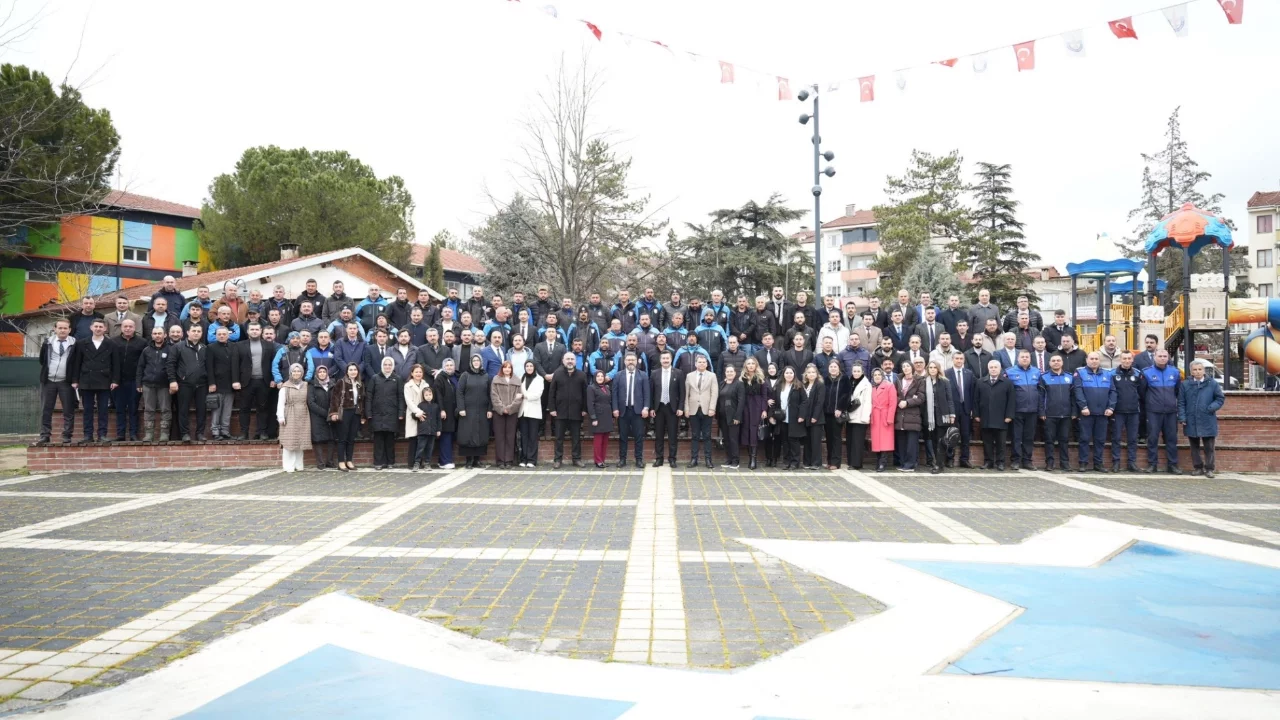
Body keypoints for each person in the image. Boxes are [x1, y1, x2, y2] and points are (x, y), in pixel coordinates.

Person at [70, 318, 119, 443]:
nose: (98, 329)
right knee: (87, 410)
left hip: (105, 380)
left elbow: (116, 364)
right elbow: (77, 363)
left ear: (105, 329)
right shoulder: (81, 343)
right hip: (86, 380)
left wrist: (115, 380)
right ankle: (88, 435)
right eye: (96, 326)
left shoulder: (111, 344)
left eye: (100, 327)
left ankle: (102, 435)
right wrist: (75, 380)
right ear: (91, 328)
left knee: (103, 410)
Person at [1179, 359, 1224, 478]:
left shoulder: (1212, 383)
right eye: (1195, 370)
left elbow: (1220, 399)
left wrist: (1211, 408)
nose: (1198, 372)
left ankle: (1209, 468)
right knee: (1194, 446)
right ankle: (1197, 467)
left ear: (1204, 370)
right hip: (1191, 418)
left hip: (1207, 418)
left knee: (1209, 446)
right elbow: (1181, 402)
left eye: (1200, 369)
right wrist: (1182, 417)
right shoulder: (1185, 384)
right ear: (1191, 372)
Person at [38, 319, 77, 444]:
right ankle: (45, 435)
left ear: (69, 330)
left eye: (65, 328)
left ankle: (67, 436)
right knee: (46, 410)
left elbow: (77, 362)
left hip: (66, 381)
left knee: (68, 410)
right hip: (48, 381)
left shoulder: (75, 344)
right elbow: (42, 360)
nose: (62, 330)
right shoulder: (47, 342)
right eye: (60, 328)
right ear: (55, 329)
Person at [167, 324, 207, 442]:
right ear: (187, 332)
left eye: (199, 331)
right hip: (184, 383)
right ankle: (185, 434)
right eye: (193, 330)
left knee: (202, 410)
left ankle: (200, 433)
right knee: (183, 410)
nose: (196, 333)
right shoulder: (178, 347)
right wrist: (172, 380)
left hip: (202, 384)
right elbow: (170, 364)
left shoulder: (204, 348)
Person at [549, 351, 588, 468]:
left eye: (572, 359)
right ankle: (557, 459)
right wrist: (552, 408)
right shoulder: (557, 374)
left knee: (576, 438)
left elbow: (585, 393)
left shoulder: (582, 375)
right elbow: (552, 393)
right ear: (563, 361)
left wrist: (584, 408)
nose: (570, 361)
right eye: (568, 359)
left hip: (576, 411)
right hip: (560, 411)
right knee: (559, 437)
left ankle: (576, 459)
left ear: (575, 361)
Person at [975, 359, 1015, 471]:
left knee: (1001, 443)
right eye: (991, 367)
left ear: (1000, 369)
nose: (993, 369)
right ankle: (988, 462)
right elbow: (976, 400)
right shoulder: (980, 382)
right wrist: (977, 414)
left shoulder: (1007, 383)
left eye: (995, 367)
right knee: (987, 442)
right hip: (985, 417)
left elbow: (1011, 401)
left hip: (1002, 418)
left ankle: (1000, 462)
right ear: (988, 369)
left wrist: (1009, 416)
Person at [612, 353, 650, 468]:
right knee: (623, 436)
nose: (630, 362)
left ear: (637, 361)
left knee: (639, 436)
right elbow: (614, 394)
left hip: (638, 411)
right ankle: (622, 459)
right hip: (623, 411)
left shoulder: (643, 375)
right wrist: (615, 408)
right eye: (628, 360)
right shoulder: (618, 375)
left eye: (633, 360)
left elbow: (647, 393)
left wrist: (646, 407)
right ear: (624, 362)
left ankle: (639, 459)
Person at [1006, 350, 1042, 470]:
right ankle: (1015, 460)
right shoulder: (1009, 372)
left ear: (1030, 359)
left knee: (1029, 437)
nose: (1025, 359)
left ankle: (1027, 461)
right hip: (1017, 410)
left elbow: (1040, 391)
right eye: (1022, 357)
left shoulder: (1037, 372)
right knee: (1016, 437)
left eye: (1027, 357)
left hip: (1032, 410)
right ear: (1018, 358)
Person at [366, 356, 404, 470]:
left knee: (390, 440)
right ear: (382, 366)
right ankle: (378, 463)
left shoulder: (397, 379)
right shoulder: (375, 378)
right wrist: (368, 412)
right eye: (385, 365)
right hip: (377, 414)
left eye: (389, 365)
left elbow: (400, 397)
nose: (387, 367)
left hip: (392, 413)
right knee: (378, 440)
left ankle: (390, 462)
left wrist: (401, 412)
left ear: (392, 366)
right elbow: (369, 396)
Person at [1038, 354, 1074, 472]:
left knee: (1064, 440)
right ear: (1049, 363)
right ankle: (1050, 463)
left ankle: (1065, 463)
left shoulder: (1070, 377)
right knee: (1049, 440)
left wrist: (1074, 412)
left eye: (1058, 360)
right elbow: (1041, 396)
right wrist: (1042, 411)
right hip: (1049, 414)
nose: (1056, 362)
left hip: (1066, 414)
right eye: (1053, 361)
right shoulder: (1044, 377)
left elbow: (1073, 396)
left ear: (1062, 363)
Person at [455, 354, 492, 469]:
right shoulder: (465, 375)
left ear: (481, 362)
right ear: (471, 362)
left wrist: (490, 409)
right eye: (474, 360)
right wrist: (461, 408)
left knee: (480, 434)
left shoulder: (486, 376)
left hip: (482, 410)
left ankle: (477, 460)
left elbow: (490, 394)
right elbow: (459, 392)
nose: (476, 362)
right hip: (467, 410)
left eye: (478, 360)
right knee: (468, 434)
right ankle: (469, 460)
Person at [1110, 351, 1145, 473]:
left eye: (1129, 358)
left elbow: (1142, 392)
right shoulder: (1112, 374)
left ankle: (1132, 463)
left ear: (1132, 360)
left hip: (1134, 411)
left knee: (1133, 438)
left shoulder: (1138, 373)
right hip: (1118, 411)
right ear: (1120, 359)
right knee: (1116, 438)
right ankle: (1116, 463)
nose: (1126, 361)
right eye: (1124, 358)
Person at [136, 325, 171, 442]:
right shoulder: (146, 350)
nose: (157, 336)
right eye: (155, 333)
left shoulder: (171, 349)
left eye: (159, 333)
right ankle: (149, 434)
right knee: (149, 409)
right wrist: (138, 383)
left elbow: (173, 367)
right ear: (152, 335)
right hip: (148, 384)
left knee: (165, 409)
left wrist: (172, 382)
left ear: (165, 335)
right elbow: (140, 367)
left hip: (165, 385)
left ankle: (164, 434)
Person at [205, 325, 241, 441]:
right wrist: (211, 383)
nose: (221, 336)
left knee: (227, 409)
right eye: (219, 334)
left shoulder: (234, 346)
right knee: (216, 409)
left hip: (230, 383)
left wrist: (236, 381)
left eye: (224, 334)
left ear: (228, 335)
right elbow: (209, 367)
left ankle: (225, 431)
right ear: (215, 336)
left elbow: (236, 365)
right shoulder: (210, 347)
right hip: (217, 383)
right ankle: (215, 431)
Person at [650, 350, 684, 468]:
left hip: (672, 408)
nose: (665, 360)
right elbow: (651, 392)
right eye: (663, 358)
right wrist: (651, 408)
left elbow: (682, 393)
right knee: (658, 435)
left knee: (673, 435)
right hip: (659, 408)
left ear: (671, 360)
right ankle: (659, 458)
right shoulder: (654, 373)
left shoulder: (678, 373)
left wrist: (680, 407)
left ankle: (672, 459)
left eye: (667, 358)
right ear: (660, 360)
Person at [329, 363, 366, 471]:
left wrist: (363, 415)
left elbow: (362, 401)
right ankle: (341, 462)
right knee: (342, 438)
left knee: (351, 438)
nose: (353, 371)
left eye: (355, 369)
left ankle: (349, 460)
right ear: (347, 371)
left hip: (356, 413)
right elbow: (334, 398)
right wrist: (334, 412)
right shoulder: (341, 382)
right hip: (344, 412)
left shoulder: (360, 384)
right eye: (351, 370)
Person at [684, 353, 718, 469]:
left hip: (707, 409)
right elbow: (686, 394)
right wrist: (686, 408)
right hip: (693, 409)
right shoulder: (689, 376)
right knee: (694, 435)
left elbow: (714, 393)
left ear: (707, 364)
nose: (702, 364)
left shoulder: (712, 376)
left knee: (707, 435)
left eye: (704, 362)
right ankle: (694, 459)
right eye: (699, 362)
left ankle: (708, 459)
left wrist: (712, 408)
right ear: (695, 364)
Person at [113, 320, 145, 441]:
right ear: (121, 328)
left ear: (134, 328)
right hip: (118, 381)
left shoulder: (142, 342)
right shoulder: (114, 342)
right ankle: (120, 434)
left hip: (134, 381)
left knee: (133, 408)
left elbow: (143, 364)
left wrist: (140, 381)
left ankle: (133, 434)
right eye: (125, 326)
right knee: (119, 409)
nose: (127, 328)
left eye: (130, 326)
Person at [275, 363, 311, 472]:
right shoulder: (285, 387)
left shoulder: (306, 385)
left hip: (303, 414)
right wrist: (280, 416)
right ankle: (288, 466)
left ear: (302, 373)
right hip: (289, 414)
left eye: (298, 371)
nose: (296, 373)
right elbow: (280, 403)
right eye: (294, 371)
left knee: (300, 440)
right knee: (289, 441)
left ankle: (299, 465)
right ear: (290, 373)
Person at [921, 361, 954, 474]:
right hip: (929, 416)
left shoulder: (945, 382)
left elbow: (950, 399)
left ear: (938, 369)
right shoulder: (924, 381)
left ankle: (940, 465)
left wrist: (952, 414)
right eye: (930, 367)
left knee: (941, 441)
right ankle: (937, 463)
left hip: (942, 415)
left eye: (935, 367)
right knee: (933, 441)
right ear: (927, 369)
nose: (933, 369)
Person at [490, 361, 523, 469]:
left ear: (512, 369)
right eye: (505, 367)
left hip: (512, 413)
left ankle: (508, 460)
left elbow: (519, 397)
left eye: (509, 368)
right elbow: (494, 396)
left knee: (510, 436)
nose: (507, 369)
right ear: (502, 369)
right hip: (498, 412)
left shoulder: (517, 381)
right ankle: (500, 460)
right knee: (499, 436)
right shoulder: (496, 380)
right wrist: (502, 408)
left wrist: (509, 409)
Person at [739, 357, 769, 470]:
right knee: (746, 430)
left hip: (757, 406)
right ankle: (749, 456)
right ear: (745, 366)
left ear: (756, 365)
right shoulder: (742, 378)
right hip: (745, 406)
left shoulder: (761, 378)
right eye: (748, 364)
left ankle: (753, 459)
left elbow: (764, 396)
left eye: (753, 364)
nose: (751, 365)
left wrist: (764, 409)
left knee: (754, 430)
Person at [893, 361, 924, 471]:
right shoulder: (898, 380)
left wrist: (907, 402)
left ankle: (910, 464)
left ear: (912, 367)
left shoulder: (919, 380)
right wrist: (899, 401)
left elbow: (921, 398)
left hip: (913, 416)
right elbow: (893, 394)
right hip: (900, 415)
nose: (905, 368)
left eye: (907, 366)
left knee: (911, 442)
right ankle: (903, 463)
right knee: (901, 441)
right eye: (903, 366)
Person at [945, 352, 974, 468]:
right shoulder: (947, 373)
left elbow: (972, 392)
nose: (959, 360)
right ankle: (950, 459)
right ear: (952, 359)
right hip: (952, 410)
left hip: (966, 409)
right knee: (952, 435)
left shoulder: (969, 374)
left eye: (961, 358)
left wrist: (972, 408)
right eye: (957, 358)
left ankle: (964, 459)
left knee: (966, 435)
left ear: (964, 360)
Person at [308, 365, 338, 470]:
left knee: (331, 438)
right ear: (317, 374)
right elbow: (311, 403)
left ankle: (330, 461)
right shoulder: (312, 385)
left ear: (327, 373)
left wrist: (332, 412)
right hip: (317, 416)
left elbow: (336, 399)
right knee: (318, 439)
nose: (322, 374)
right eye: (320, 372)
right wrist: (325, 413)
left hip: (331, 416)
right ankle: (320, 463)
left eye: (324, 372)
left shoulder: (333, 384)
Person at [821, 360, 850, 469]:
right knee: (828, 438)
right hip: (826, 413)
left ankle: (836, 462)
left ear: (839, 368)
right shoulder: (825, 379)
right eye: (831, 366)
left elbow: (846, 395)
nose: (833, 368)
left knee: (836, 438)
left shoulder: (844, 379)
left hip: (837, 413)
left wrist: (840, 408)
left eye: (835, 366)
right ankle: (829, 461)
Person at [402, 364, 431, 469]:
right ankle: (411, 463)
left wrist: (422, 412)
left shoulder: (426, 384)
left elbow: (428, 398)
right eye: (416, 372)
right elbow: (408, 401)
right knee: (414, 439)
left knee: (422, 440)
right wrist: (417, 411)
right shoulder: (407, 385)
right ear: (412, 373)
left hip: (424, 414)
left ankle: (421, 462)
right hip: (413, 414)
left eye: (420, 372)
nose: (418, 374)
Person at [717, 364, 745, 469]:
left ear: (735, 373)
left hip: (733, 417)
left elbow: (741, 401)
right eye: (727, 371)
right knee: (727, 439)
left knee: (733, 439)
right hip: (723, 416)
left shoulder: (739, 384)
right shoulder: (722, 384)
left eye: (731, 371)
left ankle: (735, 461)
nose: (729, 373)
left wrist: (738, 417)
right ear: (725, 373)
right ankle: (729, 460)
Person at [869, 369, 897, 472]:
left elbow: (893, 403)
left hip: (885, 415)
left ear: (882, 375)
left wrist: (890, 418)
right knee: (876, 441)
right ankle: (878, 460)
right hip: (875, 415)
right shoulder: (871, 387)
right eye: (875, 375)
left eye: (879, 374)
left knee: (885, 441)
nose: (877, 376)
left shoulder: (889, 386)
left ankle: (883, 462)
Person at [518, 359, 544, 468]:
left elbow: (537, 394)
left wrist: (525, 396)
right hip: (523, 411)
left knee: (533, 437)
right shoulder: (521, 378)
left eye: (531, 366)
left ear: (534, 367)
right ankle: (523, 459)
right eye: (527, 366)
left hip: (534, 412)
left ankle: (532, 460)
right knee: (524, 436)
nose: (529, 368)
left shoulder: (539, 379)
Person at [587, 370, 615, 468]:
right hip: (598, 417)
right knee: (598, 441)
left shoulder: (606, 387)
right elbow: (590, 404)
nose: (600, 378)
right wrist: (593, 418)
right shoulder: (591, 388)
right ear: (595, 377)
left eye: (602, 376)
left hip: (607, 416)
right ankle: (598, 460)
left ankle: (602, 460)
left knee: (605, 440)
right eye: (598, 376)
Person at [434, 358, 459, 469]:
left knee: (450, 436)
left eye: (451, 365)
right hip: (445, 412)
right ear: (443, 367)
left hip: (454, 411)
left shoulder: (455, 377)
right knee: (445, 435)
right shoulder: (440, 378)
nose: (449, 367)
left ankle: (443, 460)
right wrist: (441, 409)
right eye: (447, 365)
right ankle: (445, 461)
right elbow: (438, 395)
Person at [412, 383, 443, 471]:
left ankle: (427, 463)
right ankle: (417, 463)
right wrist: (417, 415)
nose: (428, 396)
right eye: (426, 395)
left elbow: (438, 419)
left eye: (430, 394)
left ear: (433, 395)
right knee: (420, 448)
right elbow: (414, 415)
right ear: (423, 396)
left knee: (429, 448)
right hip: (423, 431)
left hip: (432, 431)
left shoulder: (436, 406)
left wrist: (439, 429)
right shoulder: (421, 405)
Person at [846, 364, 871, 469]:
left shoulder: (866, 384)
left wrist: (865, 418)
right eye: (854, 371)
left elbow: (868, 402)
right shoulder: (850, 382)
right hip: (850, 416)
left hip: (860, 416)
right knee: (850, 441)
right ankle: (851, 462)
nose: (856, 373)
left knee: (857, 442)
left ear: (862, 372)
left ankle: (856, 463)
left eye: (858, 371)